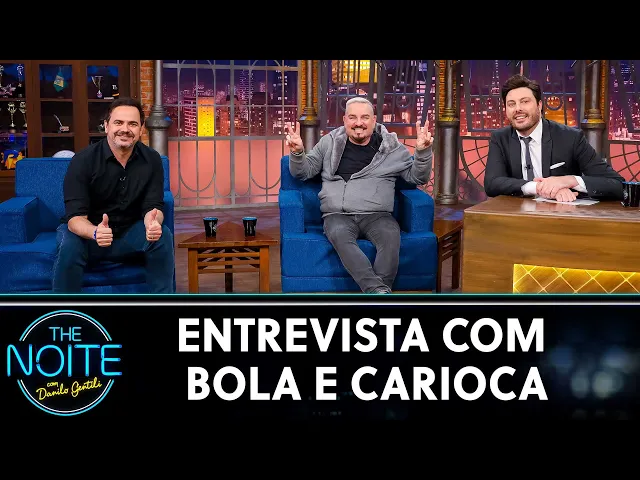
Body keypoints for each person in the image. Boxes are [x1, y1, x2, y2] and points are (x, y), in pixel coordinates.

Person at [285, 96, 433, 294]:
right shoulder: (329, 142)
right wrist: (297, 152)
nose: (358, 123)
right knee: (340, 235)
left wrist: (422, 152)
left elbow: (417, 177)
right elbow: (303, 172)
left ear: (374, 120)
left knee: (390, 236)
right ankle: (377, 291)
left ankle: (378, 293)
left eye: (364, 117)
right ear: (344, 119)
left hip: (378, 215)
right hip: (337, 215)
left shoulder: (392, 148)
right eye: (353, 117)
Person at [52, 97, 174, 293]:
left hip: (129, 233)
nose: (125, 129)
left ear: (141, 129)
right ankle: (65, 308)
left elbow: (153, 206)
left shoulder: (152, 159)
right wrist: (95, 232)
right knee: (69, 244)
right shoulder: (83, 161)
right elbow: (75, 218)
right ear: (106, 126)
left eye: (132, 124)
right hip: (89, 235)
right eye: (118, 122)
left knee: (163, 236)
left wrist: (153, 222)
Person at [484, 74, 624, 202]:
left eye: (525, 102)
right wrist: (538, 187)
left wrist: (569, 181)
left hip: (561, 215)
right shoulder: (500, 138)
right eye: (511, 104)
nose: (517, 109)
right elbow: (492, 184)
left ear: (539, 105)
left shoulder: (570, 138)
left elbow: (617, 185)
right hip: (516, 216)